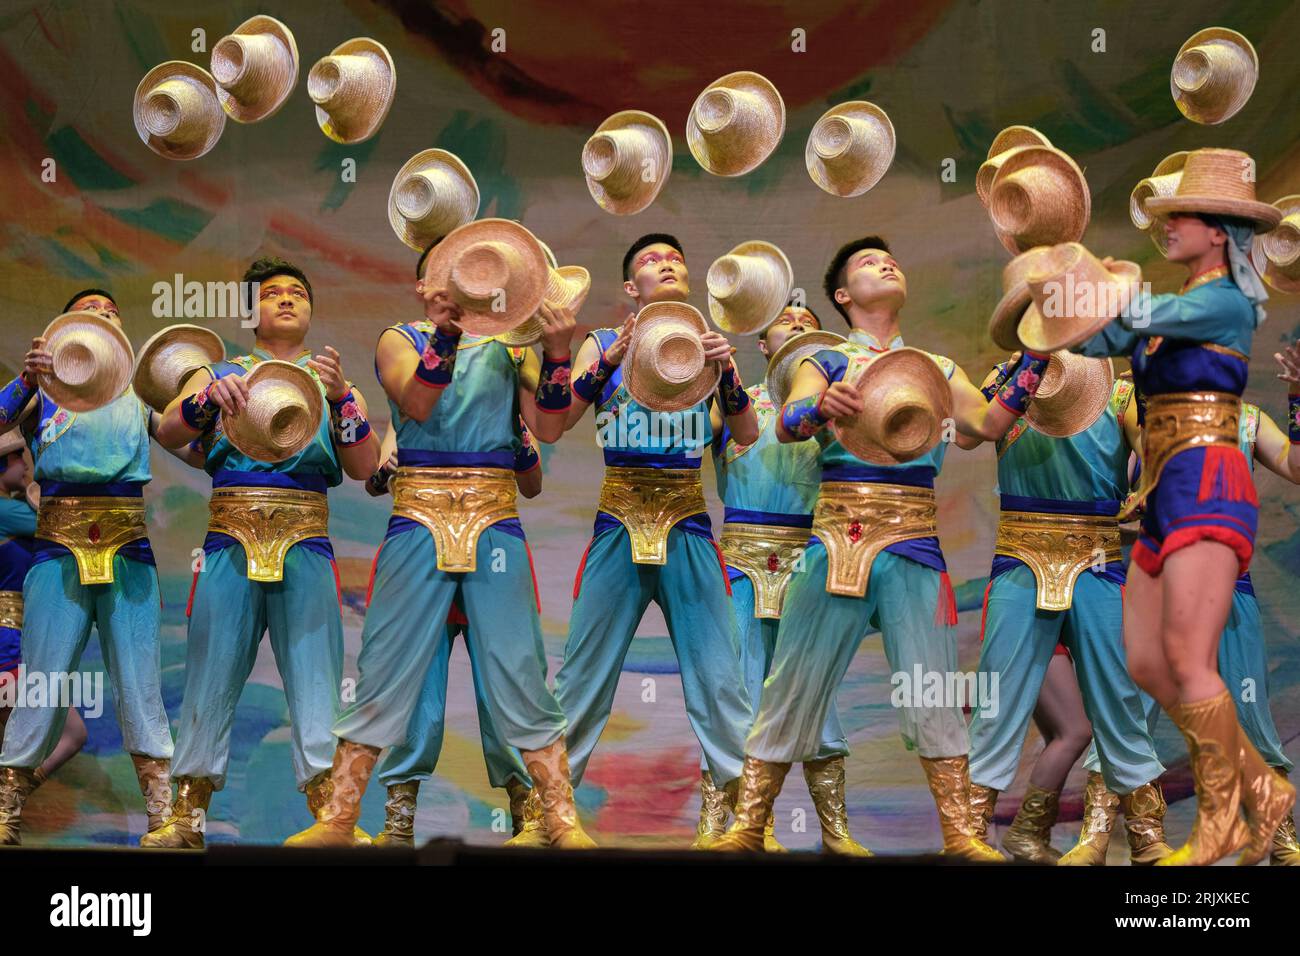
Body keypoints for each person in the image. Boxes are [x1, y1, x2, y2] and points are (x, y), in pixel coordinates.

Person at [714, 237, 1050, 855]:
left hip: (915, 541)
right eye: (867, 263)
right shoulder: (828, 360)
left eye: (891, 259)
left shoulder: (938, 369)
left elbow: (988, 427)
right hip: (836, 535)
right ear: (842, 295)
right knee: (793, 683)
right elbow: (784, 424)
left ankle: (960, 836)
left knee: (933, 688)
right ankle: (748, 829)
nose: (886, 263)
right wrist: (818, 407)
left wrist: (1039, 354)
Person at [287, 232, 594, 849]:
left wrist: (559, 353)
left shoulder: (514, 342)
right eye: (442, 274)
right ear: (423, 285)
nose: (456, 284)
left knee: (519, 667)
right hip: (418, 515)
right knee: (385, 665)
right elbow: (418, 404)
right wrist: (447, 335)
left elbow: (551, 426)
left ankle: (561, 821)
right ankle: (340, 818)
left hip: (495, 516)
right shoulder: (400, 338)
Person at [1072, 149, 1295, 865]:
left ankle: (1223, 818)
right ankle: (1265, 790)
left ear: (1220, 230)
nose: (1165, 227)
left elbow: (1133, 311)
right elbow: (1096, 335)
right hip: (1164, 489)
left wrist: (1108, 285)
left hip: (1210, 477)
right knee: (1143, 660)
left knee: (1191, 662)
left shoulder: (1223, 300)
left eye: (1179, 216)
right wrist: (1061, 286)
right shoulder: (1168, 313)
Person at [146, 257, 380, 847]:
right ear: (250, 310)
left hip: (306, 536)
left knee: (316, 676)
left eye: (296, 293)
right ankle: (188, 818)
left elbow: (365, 467)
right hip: (230, 535)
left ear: (309, 311)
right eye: (271, 293)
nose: (284, 300)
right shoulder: (219, 372)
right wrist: (206, 401)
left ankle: (332, 820)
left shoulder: (330, 383)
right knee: (210, 673)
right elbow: (169, 431)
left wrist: (345, 398)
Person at [550, 234, 756, 836]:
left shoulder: (709, 347)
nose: (666, 263)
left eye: (675, 258)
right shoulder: (600, 344)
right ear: (628, 288)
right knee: (583, 678)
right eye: (650, 260)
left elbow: (743, 431)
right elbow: (557, 421)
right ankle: (550, 816)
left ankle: (738, 824)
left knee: (719, 680)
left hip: (689, 521)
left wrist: (730, 372)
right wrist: (608, 362)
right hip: (618, 517)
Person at [960, 355, 1170, 865]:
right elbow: (967, 433)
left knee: (1119, 697)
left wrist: (1150, 484)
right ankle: (966, 830)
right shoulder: (1005, 376)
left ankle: (1145, 834)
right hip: (1020, 555)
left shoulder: (1120, 393)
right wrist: (1025, 370)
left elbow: (1156, 453)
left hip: (1099, 557)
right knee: (999, 698)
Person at [0, 290, 184, 845]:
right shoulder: (44, 393)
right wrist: (28, 381)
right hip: (57, 546)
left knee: (139, 684)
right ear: (66, 330)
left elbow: (183, 436)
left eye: (110, 310)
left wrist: (203, 398)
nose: (103, 314)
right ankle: (4, 811)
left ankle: (163, 817)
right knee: (42, 683)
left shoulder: (136, 398)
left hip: (128, 547)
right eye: (89, 310)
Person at [704, 300, 867, 854]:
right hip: (741, 560)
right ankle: (729, 826)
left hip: (809, 558)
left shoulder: (836, 409)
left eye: (807, 323)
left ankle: (835, 831)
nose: (798, 326)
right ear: (762, 344)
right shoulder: (733, 403)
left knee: (816, 694)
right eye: (787, 322)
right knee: (737, 693)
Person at [368, 418, 546, 847]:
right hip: (421, 549)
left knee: (509, 689)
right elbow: (374, 481)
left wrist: (516, 430)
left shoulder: (506, 404)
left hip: (493, 548)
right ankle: (399, 822)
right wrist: (388, 468)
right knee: (414, 688)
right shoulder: (413, 405)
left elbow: (533, 483)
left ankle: (531, 818)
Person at [0, 432, 87, 797]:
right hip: (7, 638)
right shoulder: (6, 510)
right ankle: (11, 797)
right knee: (71, 733)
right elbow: (60, 524)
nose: (26, 466)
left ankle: (10, 798)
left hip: (22, 638)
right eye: (21, 458)